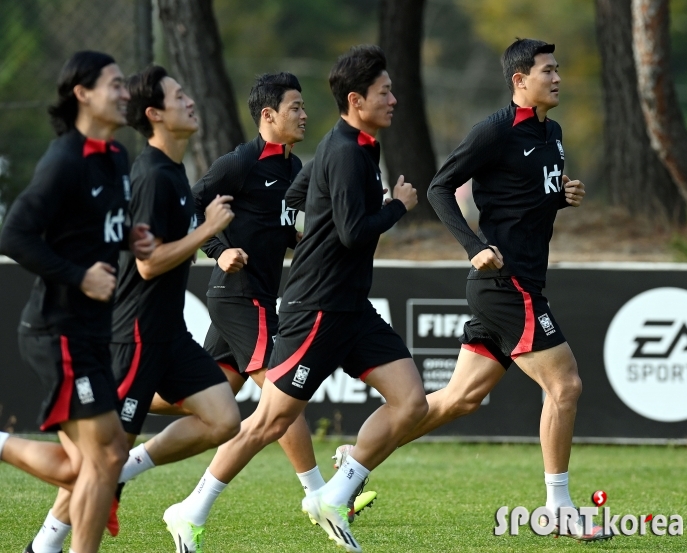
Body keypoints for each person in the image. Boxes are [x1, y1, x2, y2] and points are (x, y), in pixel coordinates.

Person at [338, 38, 610, 542]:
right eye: (547, 70)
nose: (557, 77)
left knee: (457, 400)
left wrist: (563, 196)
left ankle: (352, 466)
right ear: (519, 81)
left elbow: (528, 200)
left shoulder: (552, 133)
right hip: (505, 284)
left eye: (558, 69)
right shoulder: (494, 130)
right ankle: (558, 507)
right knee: (565, 385)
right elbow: (440, 186)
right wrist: (473, 246)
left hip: (515, 283)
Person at [163, 45, 427, 553]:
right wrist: (397, 205)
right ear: (356, 99)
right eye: (385, 92)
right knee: (269, 420)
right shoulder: (346, 150)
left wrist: (303, 231)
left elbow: (295, 200)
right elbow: (353, 232)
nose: (394, 99)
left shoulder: (355, 146)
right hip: (318, 309)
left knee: (411, 401)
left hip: (352, 305)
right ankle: (189, 510)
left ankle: (334, 496)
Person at [22, 64, 244, 553]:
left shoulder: (173, 172)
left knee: (225, 420)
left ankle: (128, 468)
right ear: (155, 114)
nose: (191, 102)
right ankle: (45, 545)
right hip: (135, 337)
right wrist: (207, 233)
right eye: (179, 96)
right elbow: (146, 267)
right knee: (96, 461)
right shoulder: (150, 175)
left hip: (169, 335)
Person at [0, 51, 154, 553]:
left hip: (90, 330)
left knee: (88, 463)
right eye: (114, 84)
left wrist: (130, 237)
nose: (124, 92)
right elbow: (15, 234)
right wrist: (78, 276)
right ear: (82, 93)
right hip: (57, 330)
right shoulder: (63, 159)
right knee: (104, 461)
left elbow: (95, 224)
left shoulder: (116, 157)